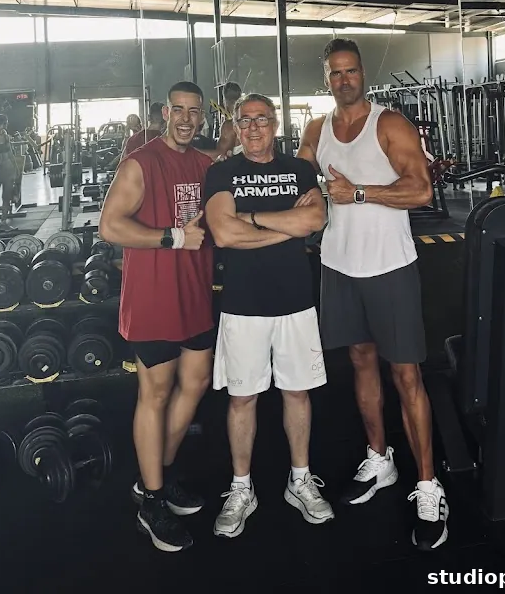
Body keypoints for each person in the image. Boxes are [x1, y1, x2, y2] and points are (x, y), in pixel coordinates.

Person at [297, 39, 448, 551]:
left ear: (363, 74)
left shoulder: (390, 124)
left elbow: (421, 190)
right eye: (335, 73)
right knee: (361, 362)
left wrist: (358, 193)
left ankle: (428, 485)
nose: (344, 80)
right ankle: (380, 459)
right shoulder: (316, 130)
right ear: (326, 79)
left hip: (389, 268)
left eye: (351, 71)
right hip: (339, 266)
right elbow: (292, 180)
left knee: (405, 375)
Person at [204, 93, 333, 538]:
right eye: (245, 121)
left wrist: (252, 218)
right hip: (243, 305)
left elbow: (314, 221)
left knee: (297, 392)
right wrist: (285, 226)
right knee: (242, 398)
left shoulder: (300, 170)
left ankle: (300, 480)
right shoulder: (222, 172)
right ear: (236, 128)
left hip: (295, 301)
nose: (254, 128)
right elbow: (224, 232)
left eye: (262, 119)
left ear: (275, 124)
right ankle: (242, 488)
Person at [99, 81, 214, 554]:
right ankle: (151, 500)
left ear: (202, 116)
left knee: (197, 382)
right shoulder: (140, 163)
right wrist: (172, 238)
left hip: (195, 294)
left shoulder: (204, 164)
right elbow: (110, 226)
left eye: (194, 111)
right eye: (178, 110)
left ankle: (157, 478)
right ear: (166, 113)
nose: (186, 119)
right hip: (153, 299)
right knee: (157, 393)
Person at [215, 81, 243, 158]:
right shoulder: (251, 121)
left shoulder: (230, 126)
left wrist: (192, 151)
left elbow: (219, 155)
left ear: (225, 101)